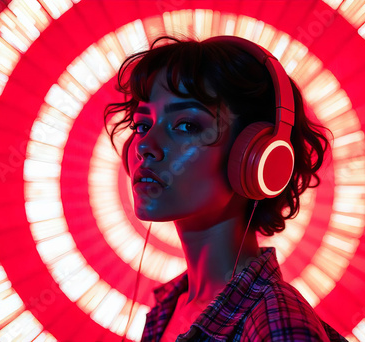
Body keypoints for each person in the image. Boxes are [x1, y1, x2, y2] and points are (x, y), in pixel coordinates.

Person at [105, 35, 348, 342]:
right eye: (142, 126)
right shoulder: (170, 306)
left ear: (256, 157)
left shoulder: (279, 327)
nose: (145, 147)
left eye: (186, 125)